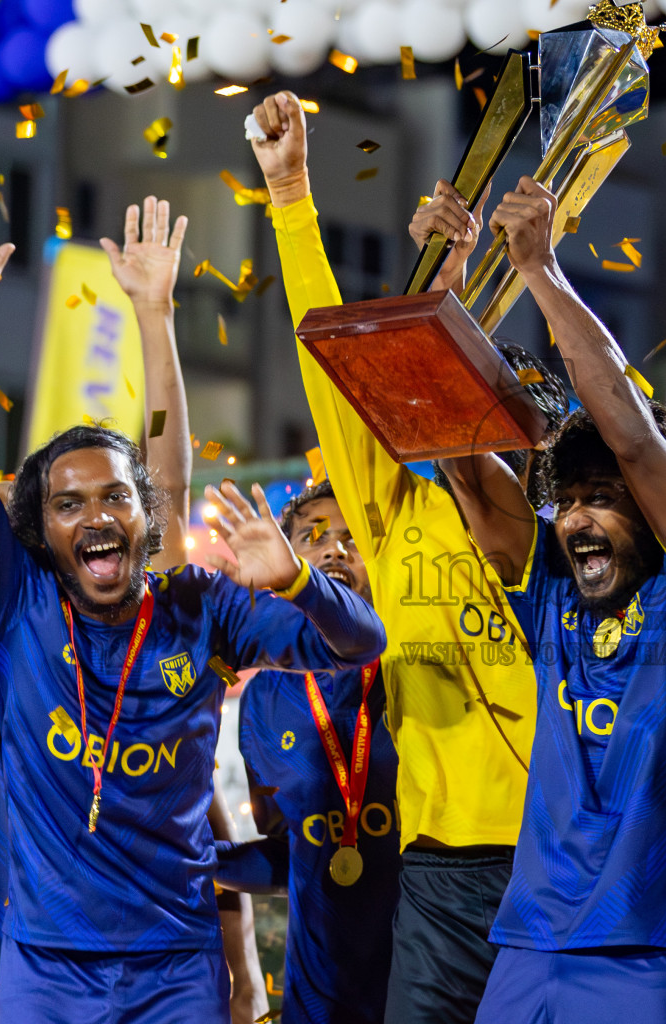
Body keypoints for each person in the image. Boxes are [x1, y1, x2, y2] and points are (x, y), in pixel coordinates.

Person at [0, 194, 385, 1023]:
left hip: (174, 970)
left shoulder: (199, 608)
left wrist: (301, 579)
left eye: (116, 499)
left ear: (145, 521)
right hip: (41, 972)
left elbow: (359, 640)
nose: (96, 515)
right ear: (39, 533)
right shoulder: (13, 610)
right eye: (68, 504)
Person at [248, 91, 567, 1024]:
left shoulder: (552, 549)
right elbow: (330, 372)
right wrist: (293, 196)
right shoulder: (390, 514)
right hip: (432, 874)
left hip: (552, 864)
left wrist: (462, 291)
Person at [435, 175, 666, 1022]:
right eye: (566, 497)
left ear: (654, 508)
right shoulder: (552, 605)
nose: (575, 517)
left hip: (646, 962)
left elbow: (633, 434)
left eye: (602, 498)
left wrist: (541, 269)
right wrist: (446, 284)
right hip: (526, 954)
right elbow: (458, 454)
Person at [216, 478, 402, 1024]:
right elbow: (290, 855)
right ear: (284, 556)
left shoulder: (416, 672)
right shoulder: (261, 701)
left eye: (354, 536)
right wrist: (196, 860)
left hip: (425, 982)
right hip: (317, 1001)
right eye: (313, 536)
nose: (335, 549)